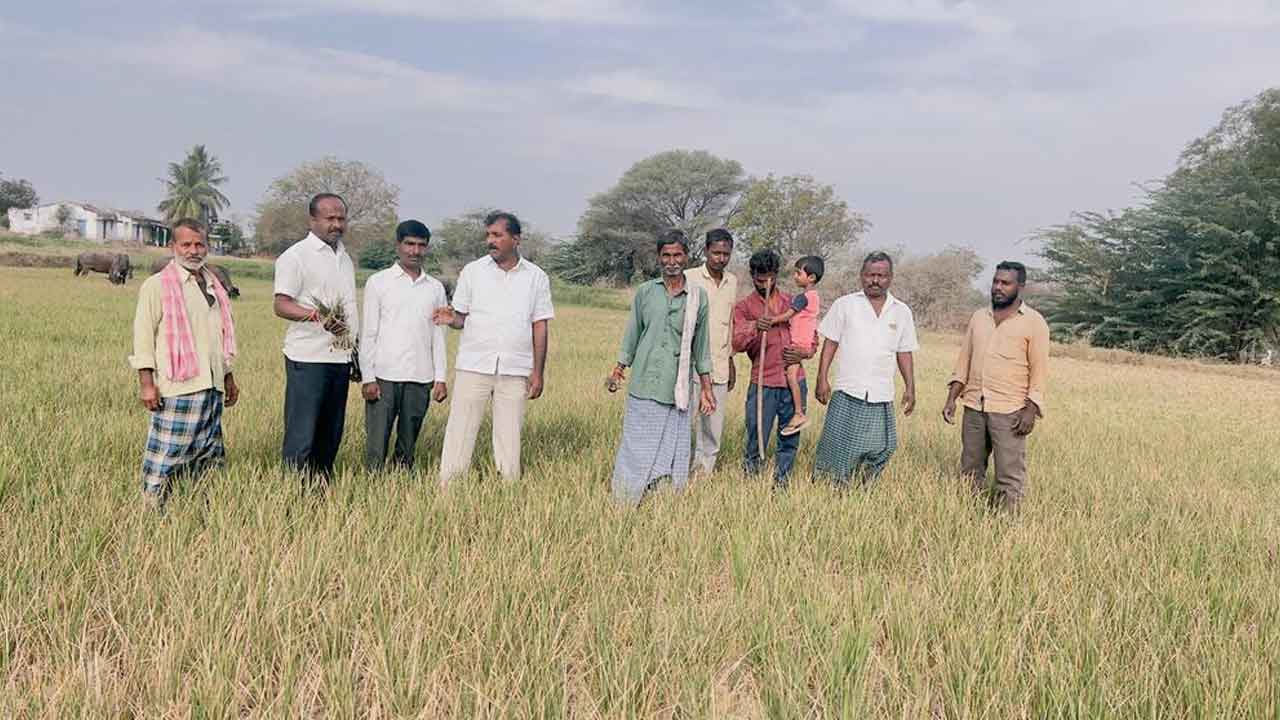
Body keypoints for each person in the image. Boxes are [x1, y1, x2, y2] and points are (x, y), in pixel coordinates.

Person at [433, 211, 554, 486]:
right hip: (474, 364)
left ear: (516, 239)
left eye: (498, 235)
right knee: (460, 430)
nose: (491, 240)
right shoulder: (473, 272)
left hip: (515, 367)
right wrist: (452, 319)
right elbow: (461, 317)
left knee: (509, 434)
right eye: (488, 235)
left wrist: (538, 373)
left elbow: (540, 326)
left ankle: (508, 487)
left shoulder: (536, 277)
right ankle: (449, 487)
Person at [129, 218, 239, 508]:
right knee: (167, 452)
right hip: (178, 385)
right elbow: (143, 336)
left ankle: (199, 509)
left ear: (208, 246)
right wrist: (146, 384)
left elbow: (220, 336)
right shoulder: (157, 286)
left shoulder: (214, 285)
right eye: (186, 244)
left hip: (211, 383)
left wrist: (228, 377)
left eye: (199, 244)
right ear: (173, 246)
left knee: (208, 454)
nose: (193, 250)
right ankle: (151, 510)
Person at [608, 230, 716, 505]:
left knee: (671, 447)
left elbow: (701, 346)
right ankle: (626, 499)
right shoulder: (645, 292)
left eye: (677, 255)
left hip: (676, 388)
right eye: (666, 255)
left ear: (686, 256)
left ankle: (660, 501)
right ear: (659, 258)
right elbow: (632, 334)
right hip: (644, 383)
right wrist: (619, 368)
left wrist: (705, 388)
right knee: (636, 445)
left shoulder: (697, 298)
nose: (672, 261)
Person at [942, 260, 1050, 512]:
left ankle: (1005, 525)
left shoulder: (1034, 323)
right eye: (995, 281)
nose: (998, 287)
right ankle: (967, 516)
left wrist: (1031, 410)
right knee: (970, 469)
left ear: (1020, 287)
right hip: (974, 406)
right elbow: (964, 360)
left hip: (1010, 410)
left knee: (1009, 475)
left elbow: (1039, 370)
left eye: (1005, 283)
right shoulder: (979, 317)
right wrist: (951, 398)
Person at [812, 252, 918, 487]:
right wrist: (822, 378)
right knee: (838, 443)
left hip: (881, 393)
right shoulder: (846, 304)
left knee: (884, 446)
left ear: (890, 278)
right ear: (861, 276)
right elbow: (830, 343)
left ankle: (862, 485)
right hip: (848, 389)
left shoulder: (901, 311)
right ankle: (830, 486)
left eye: (881, 275)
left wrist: (910, 387)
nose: (875, 280)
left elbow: (904, 352)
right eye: (870, 275)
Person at [273, 193, 359, 481]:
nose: (336, 224)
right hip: (307, 359)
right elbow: (281, 304)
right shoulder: (296, 256)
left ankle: (320, 495)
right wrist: (318, 317)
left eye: (341, 218)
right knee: (302, 435)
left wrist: (355, 352)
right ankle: (290, 494)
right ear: (313, 220)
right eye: (329, 218)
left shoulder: (344, 257)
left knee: (330, 433)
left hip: (339, 357)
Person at [359, 220, 449, 472]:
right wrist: (368, 377)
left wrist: (440, 377)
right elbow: (369, 333)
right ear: (398, 245)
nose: (415, 251)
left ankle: (400, 490)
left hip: (420, 377)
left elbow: (439, 336)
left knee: (408, 446)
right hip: (383, 375)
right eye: (409, 244)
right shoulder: (378, 282)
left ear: (427, 248)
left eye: (421, 245)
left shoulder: (435, 288)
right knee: (376, 445)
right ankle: (372, 489)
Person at [731, 249, 817, 488]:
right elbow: (737, 342)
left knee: (790, 435)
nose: (766, 284)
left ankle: (782, 482)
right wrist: (754, 327)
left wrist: (805, 352)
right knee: (756, 433)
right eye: (760, 280)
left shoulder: (793, 301)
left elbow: (812, 337)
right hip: (763, 381)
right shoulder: (744, 307)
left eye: (771, 278)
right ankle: (750, 481)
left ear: (777, 275)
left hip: (793, 381)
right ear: (752, 276)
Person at [682, 228, 738, 476]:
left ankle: (701, 475)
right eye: (716, 253)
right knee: (683, 422)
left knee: (712, 427)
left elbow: (730, 322)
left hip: (719, 364)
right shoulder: (688, 277)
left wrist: (731, 359)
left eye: (725, 253)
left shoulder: (732, 281)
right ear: (705, 251)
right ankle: (676, 472)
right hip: (689, 364)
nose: (720, 258)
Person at [760, 255, 824, 436]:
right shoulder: (814, 297)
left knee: (791, 376)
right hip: (804, 341)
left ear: (811, 278)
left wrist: (771, 320)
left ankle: (798, 413)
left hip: (798, 343)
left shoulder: (803, 297)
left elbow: (788, 315)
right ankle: (798, 412)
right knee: (791, 374)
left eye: (798, 273)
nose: (795, 276)